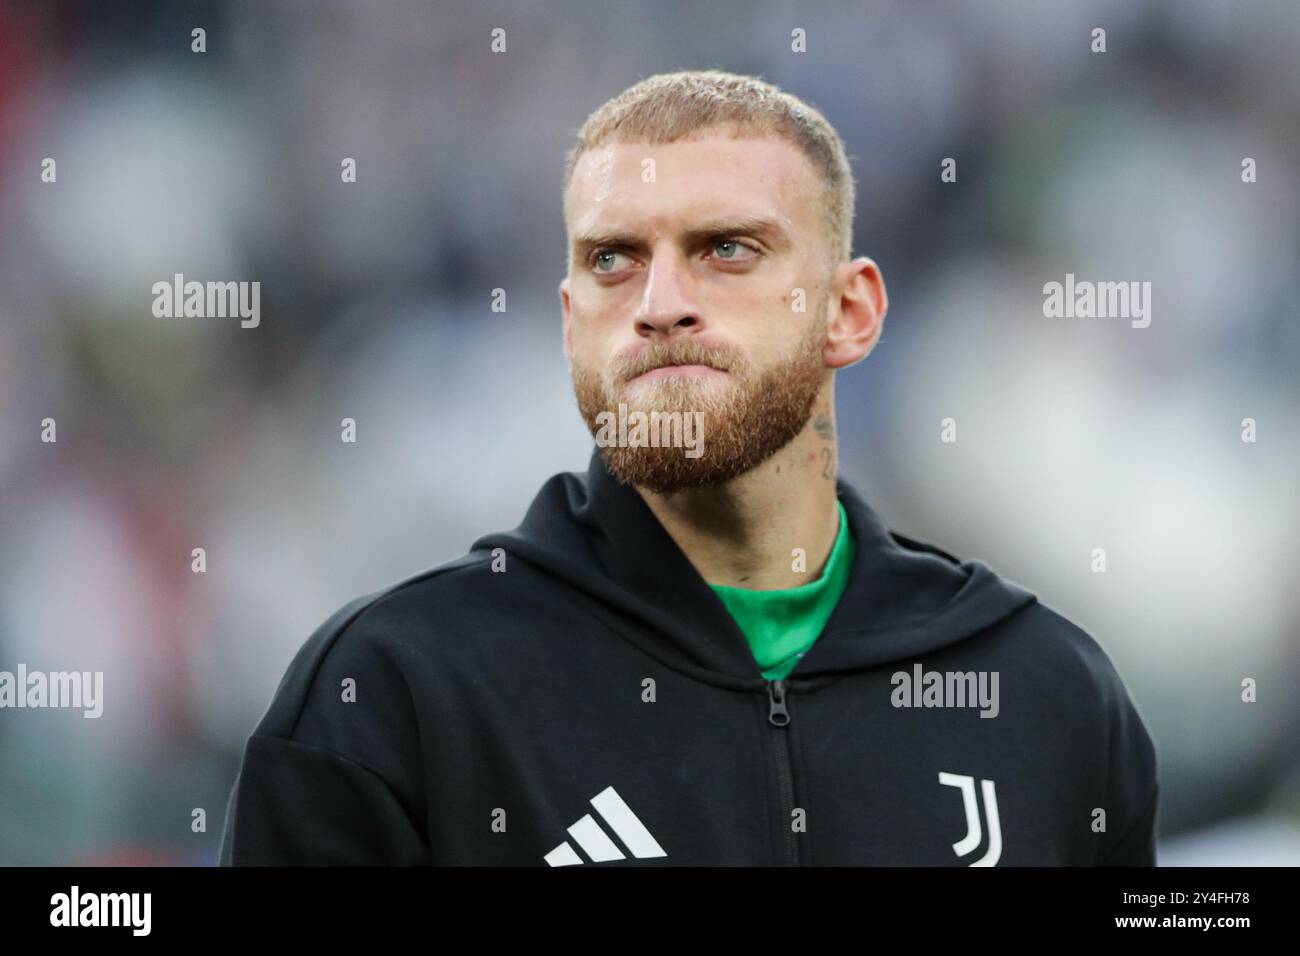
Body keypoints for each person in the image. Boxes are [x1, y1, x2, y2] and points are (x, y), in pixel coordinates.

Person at [219, 69, 1158, 866]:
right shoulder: (395, 697)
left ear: (849, 312)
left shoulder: (1046, 695)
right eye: (614, 260)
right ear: (567, 318)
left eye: (727, 249)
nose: (661, 304)